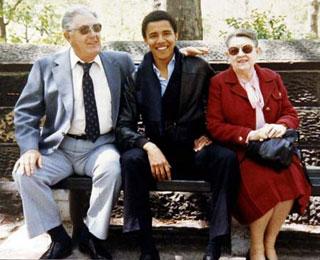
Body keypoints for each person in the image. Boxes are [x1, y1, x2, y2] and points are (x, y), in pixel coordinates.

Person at [12, 5, 135, 260]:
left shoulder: (119, 62)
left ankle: (92, 236)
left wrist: (181, 57)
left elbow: (151, 72)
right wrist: (30, 148)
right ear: (68, 36)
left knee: (112, 169)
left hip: (102, 145)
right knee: (25, 173)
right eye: (84, 30)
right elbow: (25, 112)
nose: (94, 35)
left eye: (97, 28)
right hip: (61, 147)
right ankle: (58, 238)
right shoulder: (47, 66)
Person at [116, 10, 239, 260]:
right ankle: (146, 246)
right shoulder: (136, 77)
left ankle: (215, 243)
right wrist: (148, 146)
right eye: (153, 36)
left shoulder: (197, 66)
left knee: (225, 158)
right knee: (130, 160)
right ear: (145, 40)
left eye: (166, 33)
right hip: (157, 156)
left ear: (176, 35)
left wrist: (210, 134)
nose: (160, 40)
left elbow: (220, 103)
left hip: (193, 152)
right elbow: (123, 126)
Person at [206, 29, 311, 260]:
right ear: (228, 56)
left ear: (257, 52)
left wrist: (281, 126)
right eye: (234, 51)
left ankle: (269, 244)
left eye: (247, 49)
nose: (241, 54)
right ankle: (256, 248)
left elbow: (290, 113)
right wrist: (249, 135)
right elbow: (214, 126)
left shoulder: (272, 78)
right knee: (263, 182)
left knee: (291, 176)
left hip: (274, 150)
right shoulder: (219, 83)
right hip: (242, 152)